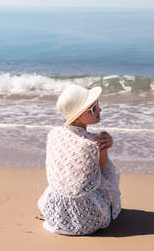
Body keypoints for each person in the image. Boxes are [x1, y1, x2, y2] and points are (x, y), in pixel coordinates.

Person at [37, 84, 121, 235]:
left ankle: (62, 211)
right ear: (78, 115)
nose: (100, 110)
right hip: (87, 221)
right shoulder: (92, 144)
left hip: (54, 213)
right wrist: (105, 149)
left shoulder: (55, 134)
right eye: (93, 108)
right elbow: (102, 173)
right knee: (104, 179)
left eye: (98, 105)